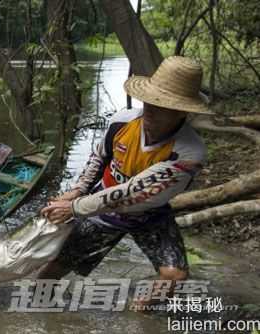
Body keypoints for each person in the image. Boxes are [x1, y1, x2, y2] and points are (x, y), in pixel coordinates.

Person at [40, 56, 212, 308]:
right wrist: (76, 191)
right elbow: (98, 160)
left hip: (149, 215)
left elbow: (133, 193)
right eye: (149, 102)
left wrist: (75, 207)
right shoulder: (123, 121)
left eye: (161, 105)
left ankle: (139, 309)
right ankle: (41, 314)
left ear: (181, 112)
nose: (150, 110)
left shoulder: (189, 153)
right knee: (50, 272)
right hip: (101, 213)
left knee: (175, 277)